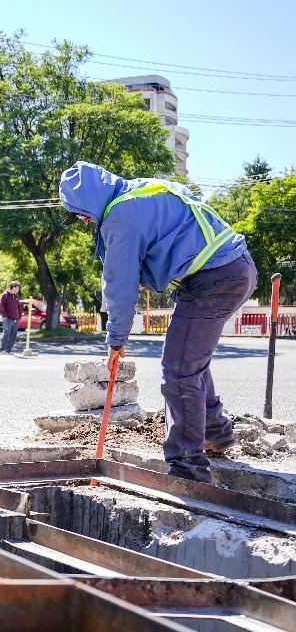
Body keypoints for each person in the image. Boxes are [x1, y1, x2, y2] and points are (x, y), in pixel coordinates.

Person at [60, 161, 256, 483]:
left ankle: (187, 468)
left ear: (92, 199)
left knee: (178, 369)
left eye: (80, 213)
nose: (82, 220)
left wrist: (116, 340)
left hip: (215, 277)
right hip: (232, 268)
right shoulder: (140, 190)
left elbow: (119, 286)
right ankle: (216, 433)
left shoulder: (119, 218)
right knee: (190, 360)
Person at [0, 281, 23, 354]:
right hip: (7, 319)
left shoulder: (16, 296)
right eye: (18, 288)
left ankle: (8, 350)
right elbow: (1, 305)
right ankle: (2, 349)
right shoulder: (4, 295)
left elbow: (19, 307)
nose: (18, 289)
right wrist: (4, 315)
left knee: (13, 336)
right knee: (6, 334)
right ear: (13, 287)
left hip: (15, 319)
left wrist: (19, 316)